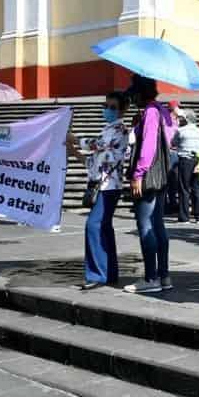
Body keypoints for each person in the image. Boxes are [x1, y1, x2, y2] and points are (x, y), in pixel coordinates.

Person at [67, 91, 130, 290]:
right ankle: (109, 272)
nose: (107, 110)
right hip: (103, 184)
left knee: (93, 226)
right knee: (103, 227)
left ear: (122, 110)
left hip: (109, 185)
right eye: (106, 106)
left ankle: (97, 274)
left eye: (112, 107)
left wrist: (75, 139)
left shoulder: (119, 129)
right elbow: (94, 161)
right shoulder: (108, 128)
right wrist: (75, 152)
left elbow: (99, 145)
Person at [124, 76, 176, 295]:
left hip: (148, 175)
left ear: (140, 93)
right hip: (161, 174)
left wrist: (138, 174)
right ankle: (164, 276)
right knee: (158, 226)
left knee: (145, 225)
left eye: (133, 94)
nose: (132, 98)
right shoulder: (161, 110)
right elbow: (171, 135)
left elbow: (148, 147)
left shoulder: (151, 112)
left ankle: (151, 277)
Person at [173, 109, 199, 223]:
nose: (180, 119)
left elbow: (173, 143)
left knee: (184, 189)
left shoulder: (181, 130)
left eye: (182, 118)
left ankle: (184, 217)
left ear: (186, 119)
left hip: (185, 160)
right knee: (197, 188)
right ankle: (198, 216)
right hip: (198, 160)